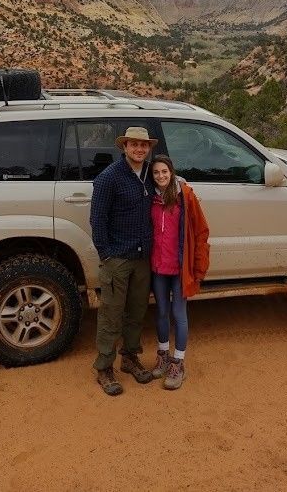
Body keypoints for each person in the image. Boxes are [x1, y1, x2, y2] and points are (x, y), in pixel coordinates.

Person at [89, 126, 157, 396]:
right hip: (117, 257)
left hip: (142, 258)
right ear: (124, 147)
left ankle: (130, 358)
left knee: (137, 312)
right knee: (111, 315)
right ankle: (104, 367)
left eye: (144, 145)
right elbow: (98, 219)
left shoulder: (151, 174)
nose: (139, 149)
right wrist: (106, 253)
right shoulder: (109, 178)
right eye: (134, 145)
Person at [149, 154, 209, 390]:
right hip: (158, 265)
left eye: (164, 171)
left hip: (179, 267)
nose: (161, 176)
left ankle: (178, 363)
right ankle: (163, 355)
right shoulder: (150, 198)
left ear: (171, 172)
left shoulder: (185, 196)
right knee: (161, 311)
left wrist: (199, 265)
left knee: (178, 313)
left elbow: (201, 231)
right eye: (156, 172)